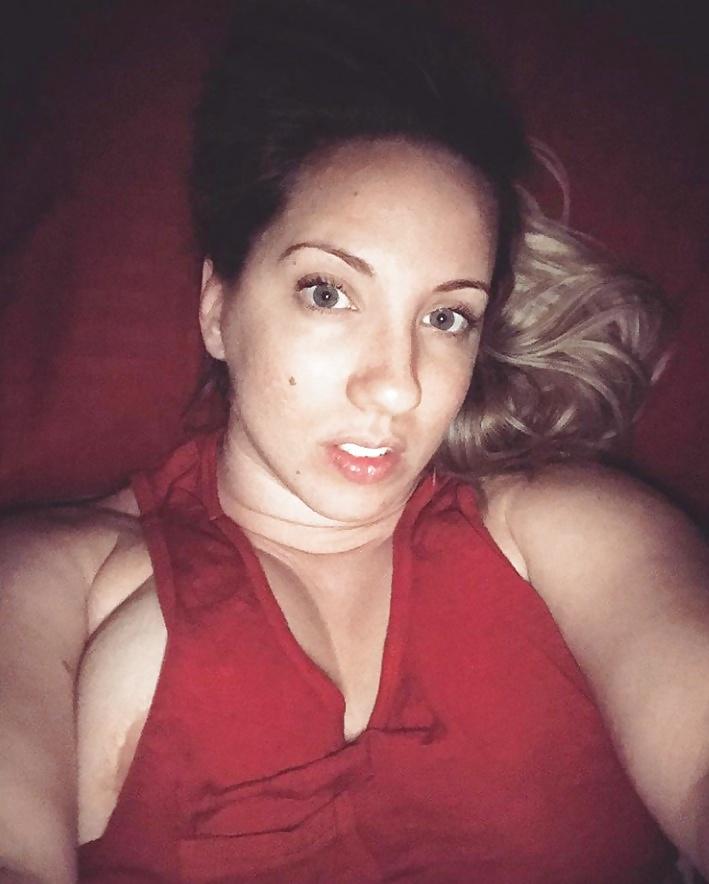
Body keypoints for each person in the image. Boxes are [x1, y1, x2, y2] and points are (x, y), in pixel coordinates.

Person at [1, 0, 707, 881]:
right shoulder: (45, 581)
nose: (397, 385)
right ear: (218, 306)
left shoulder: (574, 531)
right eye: (328, 293)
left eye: (445, 317)